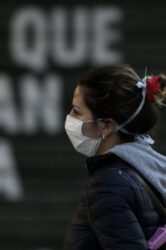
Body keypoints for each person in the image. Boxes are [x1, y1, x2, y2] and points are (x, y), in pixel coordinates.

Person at [62, 64, 166, 250]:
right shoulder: (150, 168)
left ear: (106, 126)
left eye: (77, 112)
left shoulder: (107, 187)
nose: (70, 118)